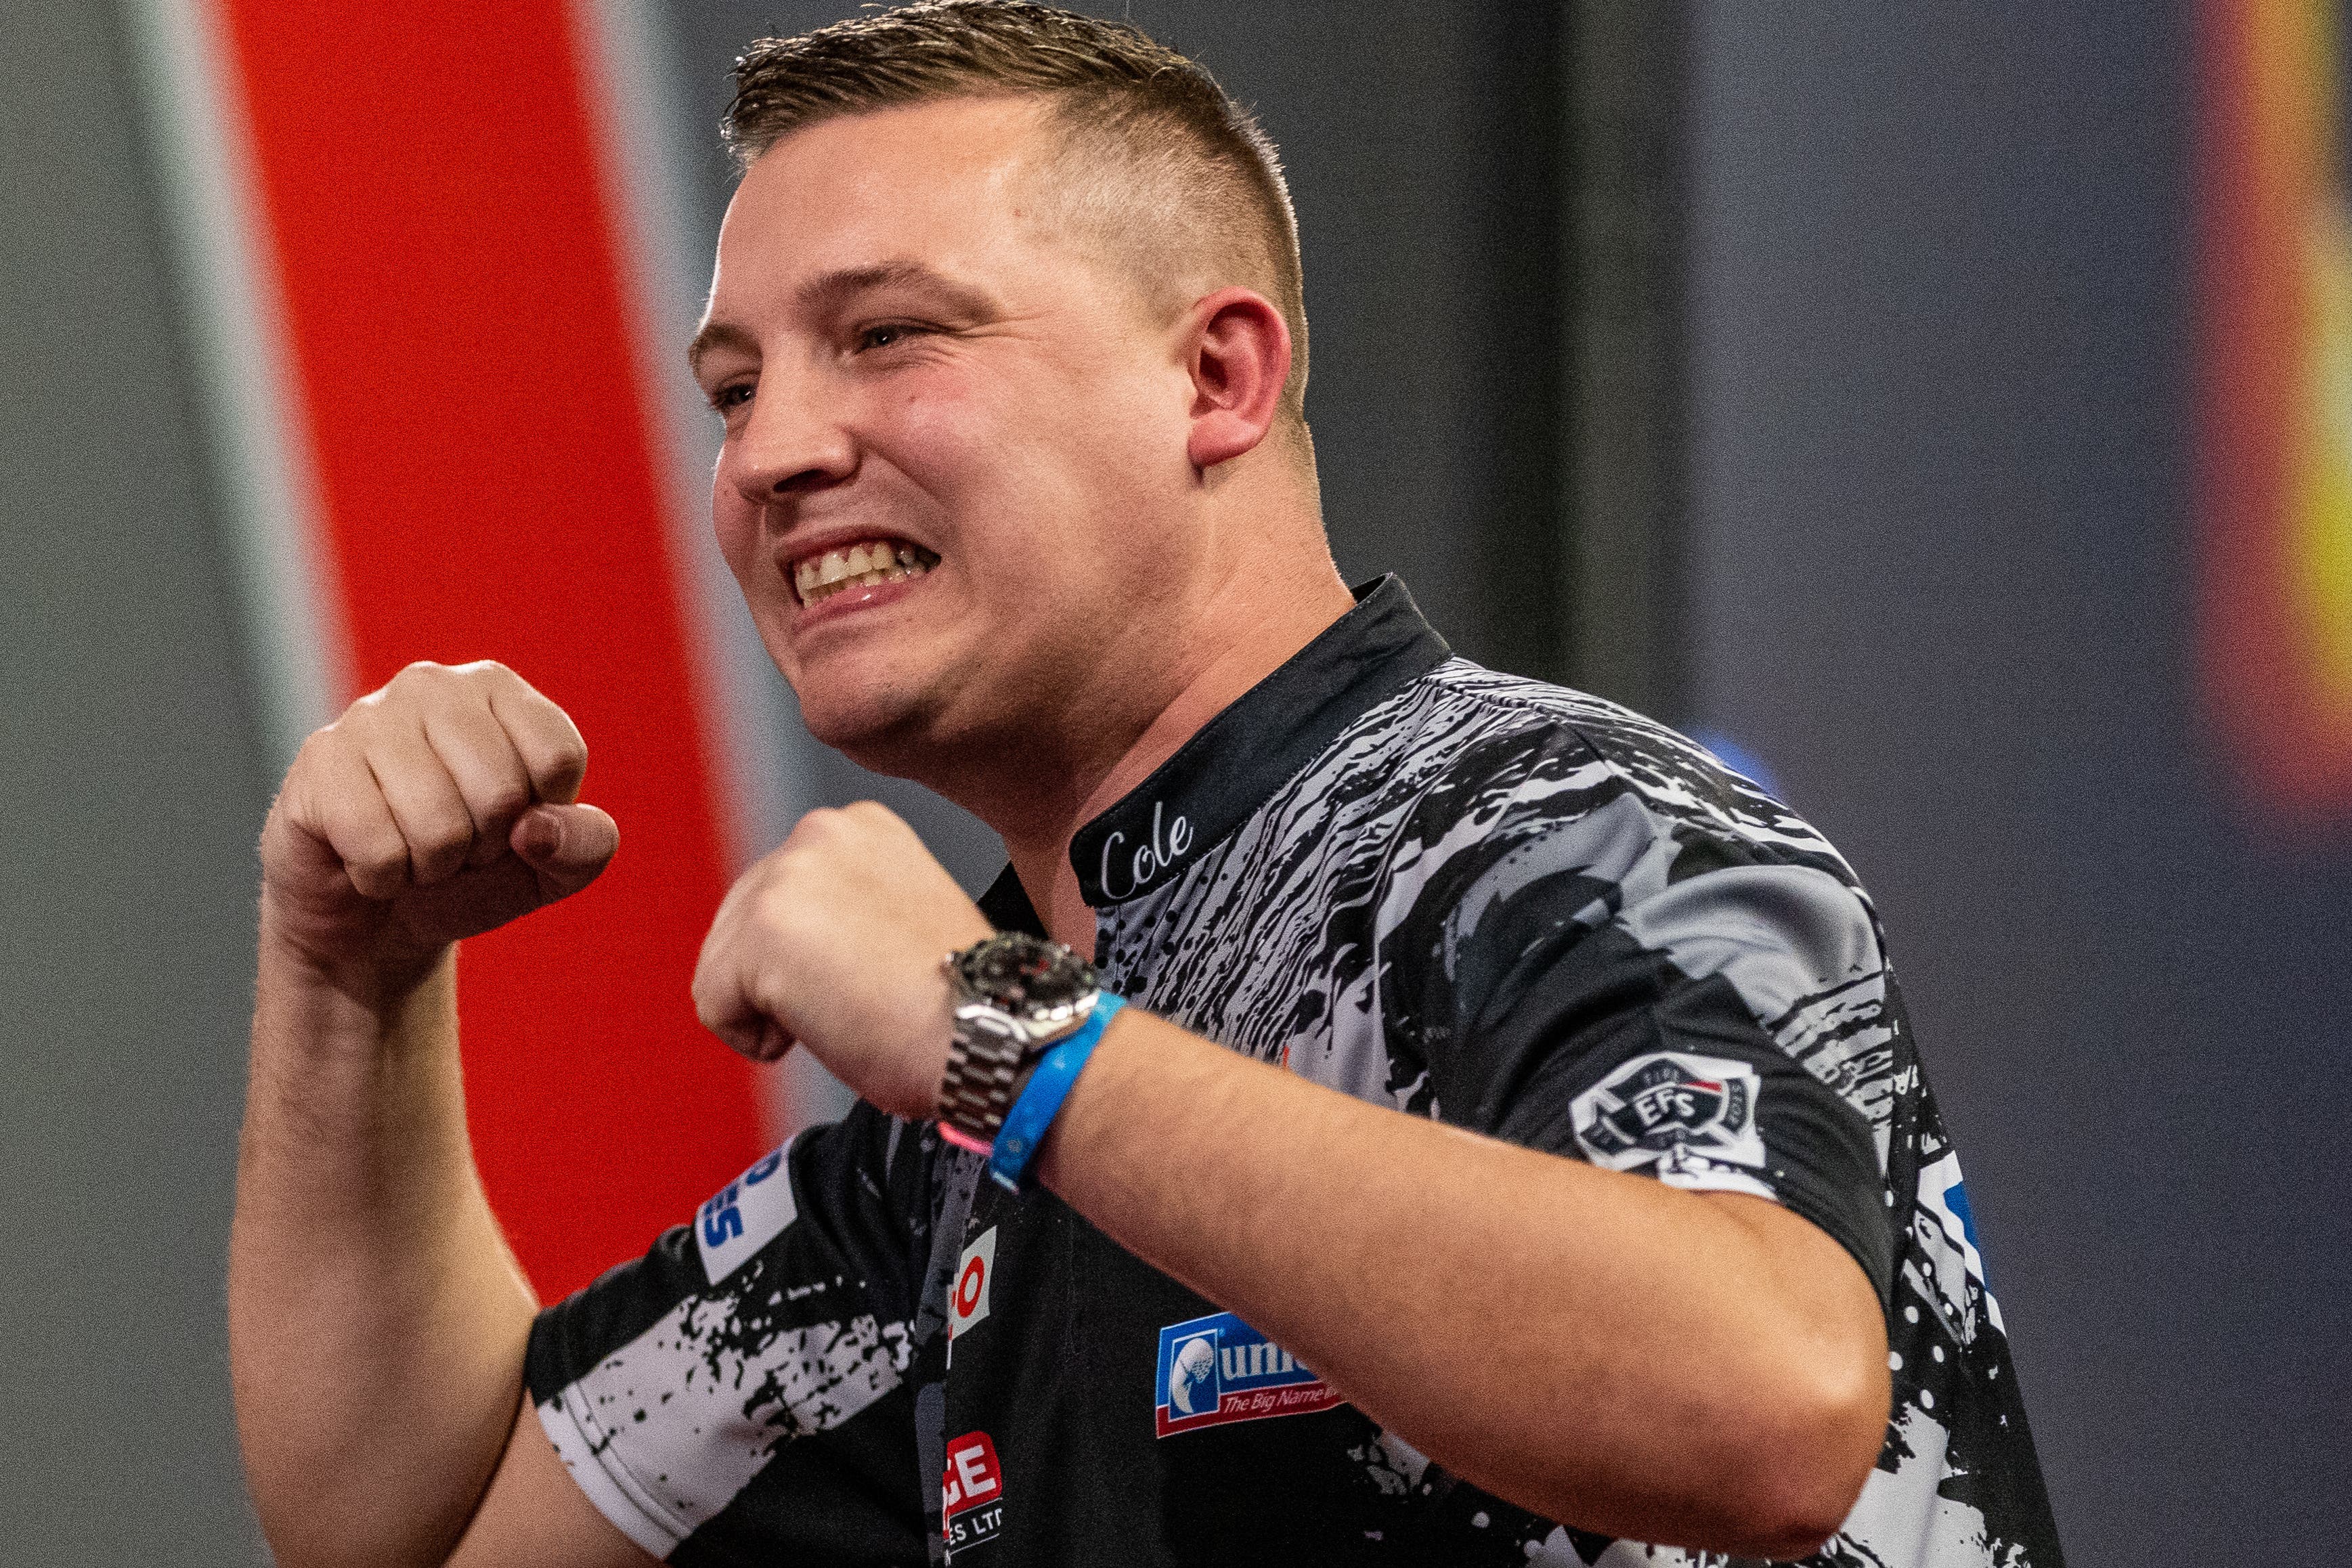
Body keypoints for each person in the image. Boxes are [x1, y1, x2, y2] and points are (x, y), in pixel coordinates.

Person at [227, 5, 2062, 1566]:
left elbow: (1769, 1390)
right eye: (732, 383)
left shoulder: (1562, 830)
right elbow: (423, 1526)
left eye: (888, 335)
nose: (776, 450)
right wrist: (349, 978)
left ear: (1214, 375)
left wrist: (996, 1033)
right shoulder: (945, 1143)